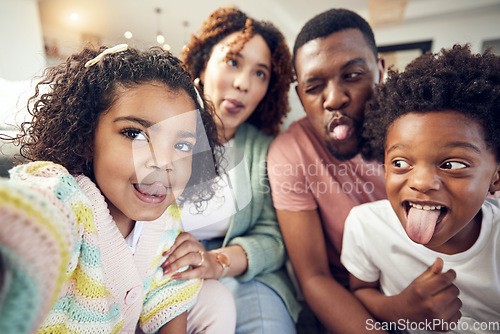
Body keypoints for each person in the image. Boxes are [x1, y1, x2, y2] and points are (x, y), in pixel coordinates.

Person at [0, 44, 226, 333]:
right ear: (86, 137)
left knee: (218, 298)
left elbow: (169, 301)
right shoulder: (66, 197)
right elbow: (36, 219)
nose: (164, 161)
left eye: (182, 145)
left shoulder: (167, 222)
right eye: (136, 134)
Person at [160, 7, 300, 334]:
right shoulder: (161, 128)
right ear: (204, 63)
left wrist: (216, 262)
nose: (243, 84)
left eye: (260, 73)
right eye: (234, 62)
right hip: (159, 266)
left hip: (241, 268)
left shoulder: (265, 148)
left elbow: (272, 237)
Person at [341, 44, 500, 333]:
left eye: (452, 165)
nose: (421, 182)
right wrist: (396, 309)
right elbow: (360, 290)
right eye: (401, 162)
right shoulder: (365, 225)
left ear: (496, 177)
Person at [266, 8, 388, 333]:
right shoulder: (290, 152)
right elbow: (314, 277)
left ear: (380, 71)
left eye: (352, 75)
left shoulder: (415, 129)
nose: (333, 99)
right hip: (346, 299)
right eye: (314, 86)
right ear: (300, 97)